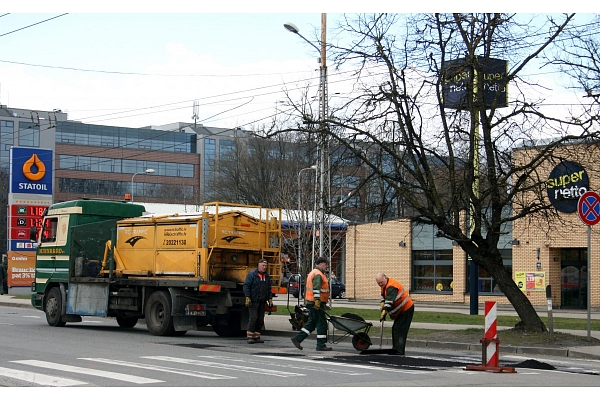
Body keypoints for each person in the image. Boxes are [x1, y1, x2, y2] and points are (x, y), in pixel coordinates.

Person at [291, 257, 332, 351]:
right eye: (326, 264)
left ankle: (297, 339)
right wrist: (317, 301)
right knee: (322, 323)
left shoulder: (314, 272)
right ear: (321, 264)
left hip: (312, 302)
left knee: (312, 323)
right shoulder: (318, 274)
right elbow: (316, 289)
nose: (327, 266)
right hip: (316, 303)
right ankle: (321, 345)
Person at [376, 272, 414, 355]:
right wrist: (382, 305)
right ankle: (396, 348)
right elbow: (383, 297)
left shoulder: (391, 286)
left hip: (406, 309)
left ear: (385, 278)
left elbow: (389, 302)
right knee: (395, 328)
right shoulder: (384, 286)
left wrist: (384, 312)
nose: (380, 284)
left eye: (381, 282)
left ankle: (399, 350)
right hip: (401, 310)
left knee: (400, 329)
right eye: (378, 283)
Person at [243, 259, 273, 344]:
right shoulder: (252, 275)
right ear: (258, 265)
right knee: (253, 318)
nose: (264, 267)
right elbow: (246, 286)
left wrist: (270, 298)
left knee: (260, 319)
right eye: (263, 266)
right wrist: (247, 297)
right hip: (254, 301)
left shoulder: (266, 276)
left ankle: (257, 336)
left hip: (262, 301)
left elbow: (268, 289)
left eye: (265, 266)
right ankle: (250, 336)